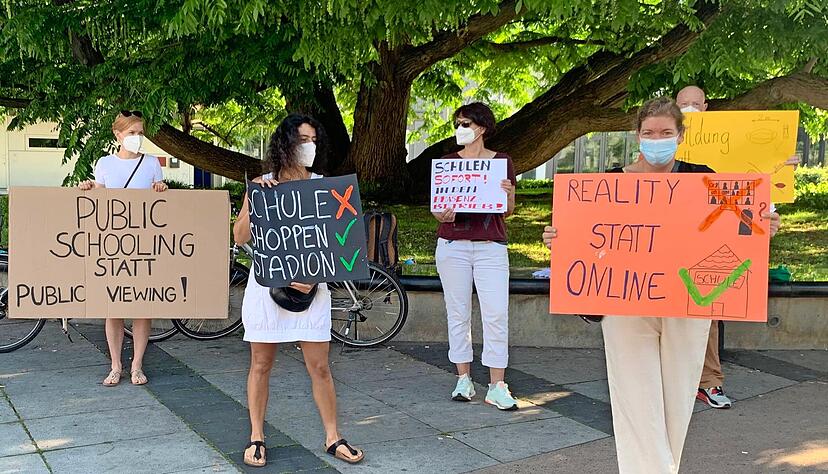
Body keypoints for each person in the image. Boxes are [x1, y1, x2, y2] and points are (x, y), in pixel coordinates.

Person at [543, 97, 779, 473]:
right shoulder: (609, 183)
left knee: (676, 402)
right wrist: (561, 239)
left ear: (680, 136)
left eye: (666, 132)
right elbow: (589, 238)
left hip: (687, 306)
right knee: (635, 400)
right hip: (625, 305)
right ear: (637, 135)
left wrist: (763, 226)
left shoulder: (703, 178)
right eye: (649, 132)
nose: (657, 140)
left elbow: (734, 228)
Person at [233, 114, 364, 467]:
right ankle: (256, 436)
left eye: (314, 141)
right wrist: (257, 199)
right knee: (261, 363)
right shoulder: (262, 184)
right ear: (286, 144)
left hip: (311, 288)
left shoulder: (324, 187)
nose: (310, 147)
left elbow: (338, 242)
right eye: (303, 140)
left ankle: (333, 436)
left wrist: (316, 277)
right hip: (268, 286)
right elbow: (239, 236)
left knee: (320, 366)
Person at [676, 85, 796, 409]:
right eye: (683, 103)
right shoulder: (665, 144)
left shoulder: (727, 145)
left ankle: (708, 382)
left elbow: (751, 187)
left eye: (695, 103)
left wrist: (779, 170)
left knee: (707, 310)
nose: (690, 108)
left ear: (706, 106)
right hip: (670, 241)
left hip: (708, 238)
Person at [432, 102, 518, 410]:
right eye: (457, 124)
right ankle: (463, 378)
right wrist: (443, 214)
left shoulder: (502, 162)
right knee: (457, 312)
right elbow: (438, 211)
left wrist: (508, 195)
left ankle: (497, 384)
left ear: (481, 128)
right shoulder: (447, 163)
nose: (460, 129)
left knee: (496, 313)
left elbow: (508, 210)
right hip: (452, 244)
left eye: (465, 123)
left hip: (490, 245)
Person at [79, 110, 168, 387]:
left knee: (142, 308)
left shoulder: (151, 163)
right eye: (132, 133)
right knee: (113, 307)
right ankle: (115, 365)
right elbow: (100, 200)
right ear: (118, 135)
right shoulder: (105, 163)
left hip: (144, 245)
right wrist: (89, 187)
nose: (137, 137)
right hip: (113, 246)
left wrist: (160, 188)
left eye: (140, 133)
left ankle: (137, 365)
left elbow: (159, 199)